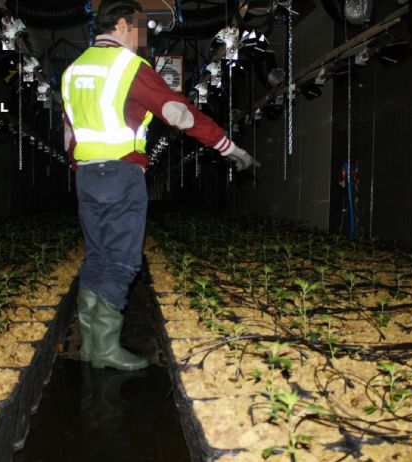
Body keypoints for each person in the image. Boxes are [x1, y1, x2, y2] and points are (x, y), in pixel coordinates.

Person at [62, 0, 259, 371]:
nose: (142, 38)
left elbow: (69, 133)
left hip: (86, 177)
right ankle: (104, 348)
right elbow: (179, 114)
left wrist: (81, 168)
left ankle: (90, 345)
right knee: (121, 261)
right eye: (140, 29)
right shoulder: (129, 67)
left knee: (97, 257)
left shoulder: (72, 71)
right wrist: (227, 146)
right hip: (120, 175)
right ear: (122, 25)